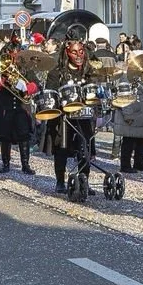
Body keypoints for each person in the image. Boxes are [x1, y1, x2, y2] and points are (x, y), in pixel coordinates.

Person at [44, 39, 98, 193]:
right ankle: (60, 181)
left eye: (81, 51)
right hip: (63, 117)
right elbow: (50, 93)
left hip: (84, 116)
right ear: (67, 53)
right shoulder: (57, 72)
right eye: (74, 52)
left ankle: (84, 181)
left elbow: (93, 93)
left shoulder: (88, 71)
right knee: (61, 148)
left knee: (85, 148)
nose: (79, 55)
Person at [0, 47, 39, 174]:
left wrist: (27, 88)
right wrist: (4, 81)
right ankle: (5, 164)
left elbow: (36, 85)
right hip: (6, 106)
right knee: (5, 136)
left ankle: (25, 164)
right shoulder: (0, 73)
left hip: (21, 107)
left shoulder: (26, 69)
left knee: (24, 136)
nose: (13, 60)